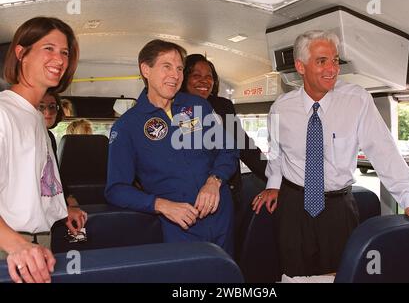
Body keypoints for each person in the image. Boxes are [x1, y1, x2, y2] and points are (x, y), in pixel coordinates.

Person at [252, 30, 409, 277]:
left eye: (335, 60)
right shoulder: (281, 107)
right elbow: (277, 151)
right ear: (300, 66)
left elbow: (384, 151)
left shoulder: (357, 100)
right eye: (322, 61)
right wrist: (273, 184)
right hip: (293, 206)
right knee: (294, 276)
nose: (332, 69)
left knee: (340, 275)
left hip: (338, 209)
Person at [105, 40, 239, 255]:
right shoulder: (127, 126)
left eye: (179, 68)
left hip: (220, 215)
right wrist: (161, 205)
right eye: (166, 66)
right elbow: (116, 189)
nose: (175, 75)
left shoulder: (199, 106)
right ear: (145, 69)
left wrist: (215, 180)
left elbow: (228, 150)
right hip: (178, 225)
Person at [0, 16, 79, 283]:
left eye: (64, 52)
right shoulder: (3, 113)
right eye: (49, 48)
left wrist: (61, 208)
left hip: (37, 243)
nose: (59, 59)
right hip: (11, 248)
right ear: (21, 53)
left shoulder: (33, 116)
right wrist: (16, 245)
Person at [180, 54, 267, 209]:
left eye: (209, 76)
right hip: (189, 198)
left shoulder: (223, 107)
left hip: (229, 193)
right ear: (184, 79)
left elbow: (246, 148)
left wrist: (276, 180)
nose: (204, 81)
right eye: (196, 75)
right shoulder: (175, 110)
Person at [39, 91, 88, 233]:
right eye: (41, 107)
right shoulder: (28, 137)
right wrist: (62, 208)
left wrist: (68, 197)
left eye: (52, 106)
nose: (48, 112)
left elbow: (53, 174)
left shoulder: (48, 137)